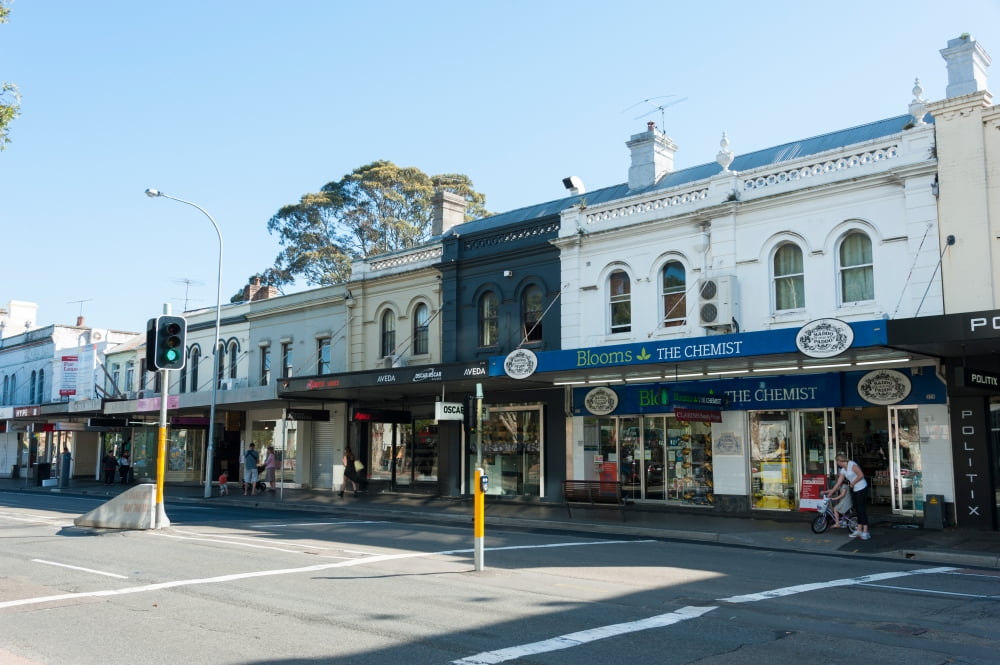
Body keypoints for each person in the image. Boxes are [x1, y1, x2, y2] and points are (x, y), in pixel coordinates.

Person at [828, 453, 870, 540]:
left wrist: (853, 483)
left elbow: (861, 475)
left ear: (840, 461)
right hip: (855, 489)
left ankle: (866, 532)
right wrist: (832, 491)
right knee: (857, 509)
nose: (837, 464)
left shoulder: (852, 465)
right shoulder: (843, 470)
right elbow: (838, 482)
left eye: (837, 462)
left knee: (862, 510)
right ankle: (859, 530)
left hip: (862, 487)